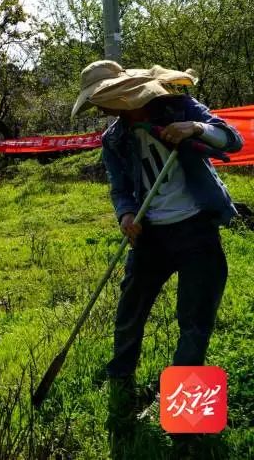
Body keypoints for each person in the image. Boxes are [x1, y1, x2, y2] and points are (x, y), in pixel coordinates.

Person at [72, 61, 243, 435]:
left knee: (195, 323)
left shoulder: (180, 107)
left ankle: (188, 424)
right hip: (150, 236)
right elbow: (119, 188)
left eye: (101, 100)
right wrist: (126, 214)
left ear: (121, 92)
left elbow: (233, 139)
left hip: (197, 229)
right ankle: (120, 386)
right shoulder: (113, 139)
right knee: (129, 311)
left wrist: (195, 128)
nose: (99, 110)